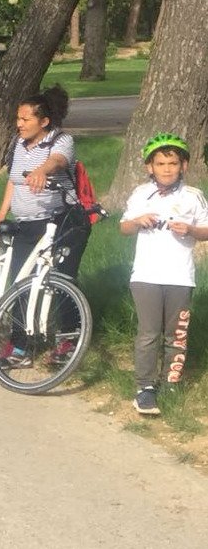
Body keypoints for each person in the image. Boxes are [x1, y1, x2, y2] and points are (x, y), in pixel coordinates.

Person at [0, 85, 90, 367]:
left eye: (25, 119)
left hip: (61, 222)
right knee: (20, 281)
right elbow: (13, 180)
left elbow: (58, 162)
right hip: (27, 225)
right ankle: (21, 347)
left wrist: (41, 170)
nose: (19, 124)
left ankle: (67, 341)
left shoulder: (60, 140)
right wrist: (1, 211)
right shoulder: (18, 144)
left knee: (60, 281)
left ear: (43, 122)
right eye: (18, 119)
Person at [120, 133, 208, 416]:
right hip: (146, 275)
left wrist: (191, 230)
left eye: (173, 163)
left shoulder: (193, 196)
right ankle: (144, 388)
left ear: (183, 165)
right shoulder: (140, 194)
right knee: (148, 333)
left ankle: (170, 382)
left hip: (180, 276)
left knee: (176, 334)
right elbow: (124, 227)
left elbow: (206, 230)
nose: (167, 168)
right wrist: (137, 221)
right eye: (161, 163)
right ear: (150, 167)